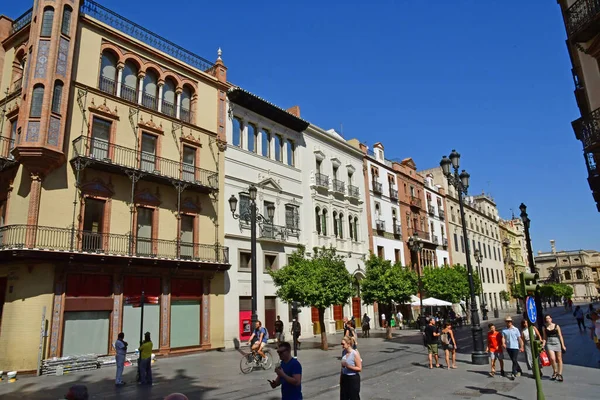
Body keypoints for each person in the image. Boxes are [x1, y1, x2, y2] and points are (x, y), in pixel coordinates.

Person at [542, 314, 566, 382]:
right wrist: (543, 345)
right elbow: (544, 337)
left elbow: (560, 336)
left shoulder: (556, 326)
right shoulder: (544, 327)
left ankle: (560, 373)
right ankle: (555, 371)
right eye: (546, 318)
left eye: (549, 318)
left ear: (551, 319)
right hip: (549, 343)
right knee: (552, 358)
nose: (548, 320)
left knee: (559, 358)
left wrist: (563, 345)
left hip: (557, 342)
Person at [340, 336, 362, 400]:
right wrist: (341, 378)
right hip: (345, 377)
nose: (342, 346)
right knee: (344, 397)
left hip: (353, 378)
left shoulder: (355, 353)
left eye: (343, 344)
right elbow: (342, 367)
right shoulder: (343, 352)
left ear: (348, 344)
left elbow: (359, 368)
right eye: (341, 344)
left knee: (354, 397)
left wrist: (348, 366)